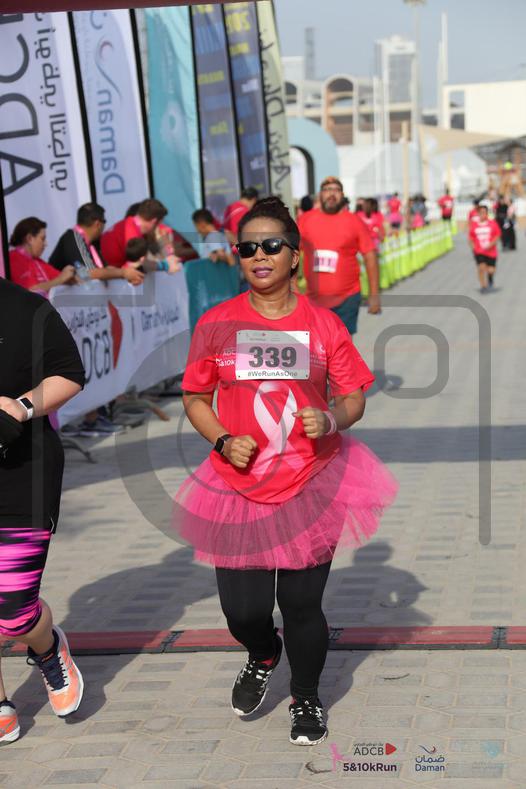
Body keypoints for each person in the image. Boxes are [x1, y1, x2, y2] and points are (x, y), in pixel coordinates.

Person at [174, 197, 397, 746]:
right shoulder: (216, 323)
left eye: (271, 245)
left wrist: (331, 418)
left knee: (300, 604)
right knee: (243, 611)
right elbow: (196, 396)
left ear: (294, 256)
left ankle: (306, 695)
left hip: (309, 480)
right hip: (238, 485)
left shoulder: (323, 325)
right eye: (247, 247)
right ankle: (262, 651)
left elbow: (353, 397)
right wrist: (223, 440)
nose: (259, 255)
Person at [0, 277, 86, 744]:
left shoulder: (27, 309)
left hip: (22, 473)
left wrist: (21, 406)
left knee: (13, 612)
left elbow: (68, 372)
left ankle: (48, 649)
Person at [298, 176, 380, 335]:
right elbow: (290, 254)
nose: (331, 194)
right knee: (318, 344)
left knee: (343, 344)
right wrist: (292, 288)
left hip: (348, 298)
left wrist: (374, 295)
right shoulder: (305, 220)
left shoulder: (354, 221)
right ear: (320, 195)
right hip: (314, 300)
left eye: (336, 190)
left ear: (342, 195)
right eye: (327, 190)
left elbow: (370, 256)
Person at [48, 203, 143, 287]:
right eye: (104, 221)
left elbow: (105, 269)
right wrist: (123, 273)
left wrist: (130, 269)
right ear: (98, 224)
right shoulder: (73, 238)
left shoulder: (92, 243)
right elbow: (89, 273)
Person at [8, 217, 77, 296]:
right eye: (42, 239)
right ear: (29, 239)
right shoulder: (13, 259)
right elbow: (30, 292)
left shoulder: (37, 261)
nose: (45, 244)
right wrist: (60, 279)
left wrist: (70, 278)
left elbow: (61, 277)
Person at [100, 198, 168, 267]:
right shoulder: (133, 235)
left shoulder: (131, 222)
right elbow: (139, 266)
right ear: (154, 221)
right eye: (159, 223)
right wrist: (165, 265)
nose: (159, 227)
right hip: (111, 268)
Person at [469, 204, 501, 292]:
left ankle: (490, 279)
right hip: (479, 251)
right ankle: (483, 286)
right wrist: (473, 247)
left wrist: (491, 244)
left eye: (484, 212)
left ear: (487, 213)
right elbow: (471, 237)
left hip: (491, 251)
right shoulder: (474, 225)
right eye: (480, 212)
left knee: (491, 270)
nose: (482, 214)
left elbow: (497, 235)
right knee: (481, 267)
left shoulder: (492, 223)